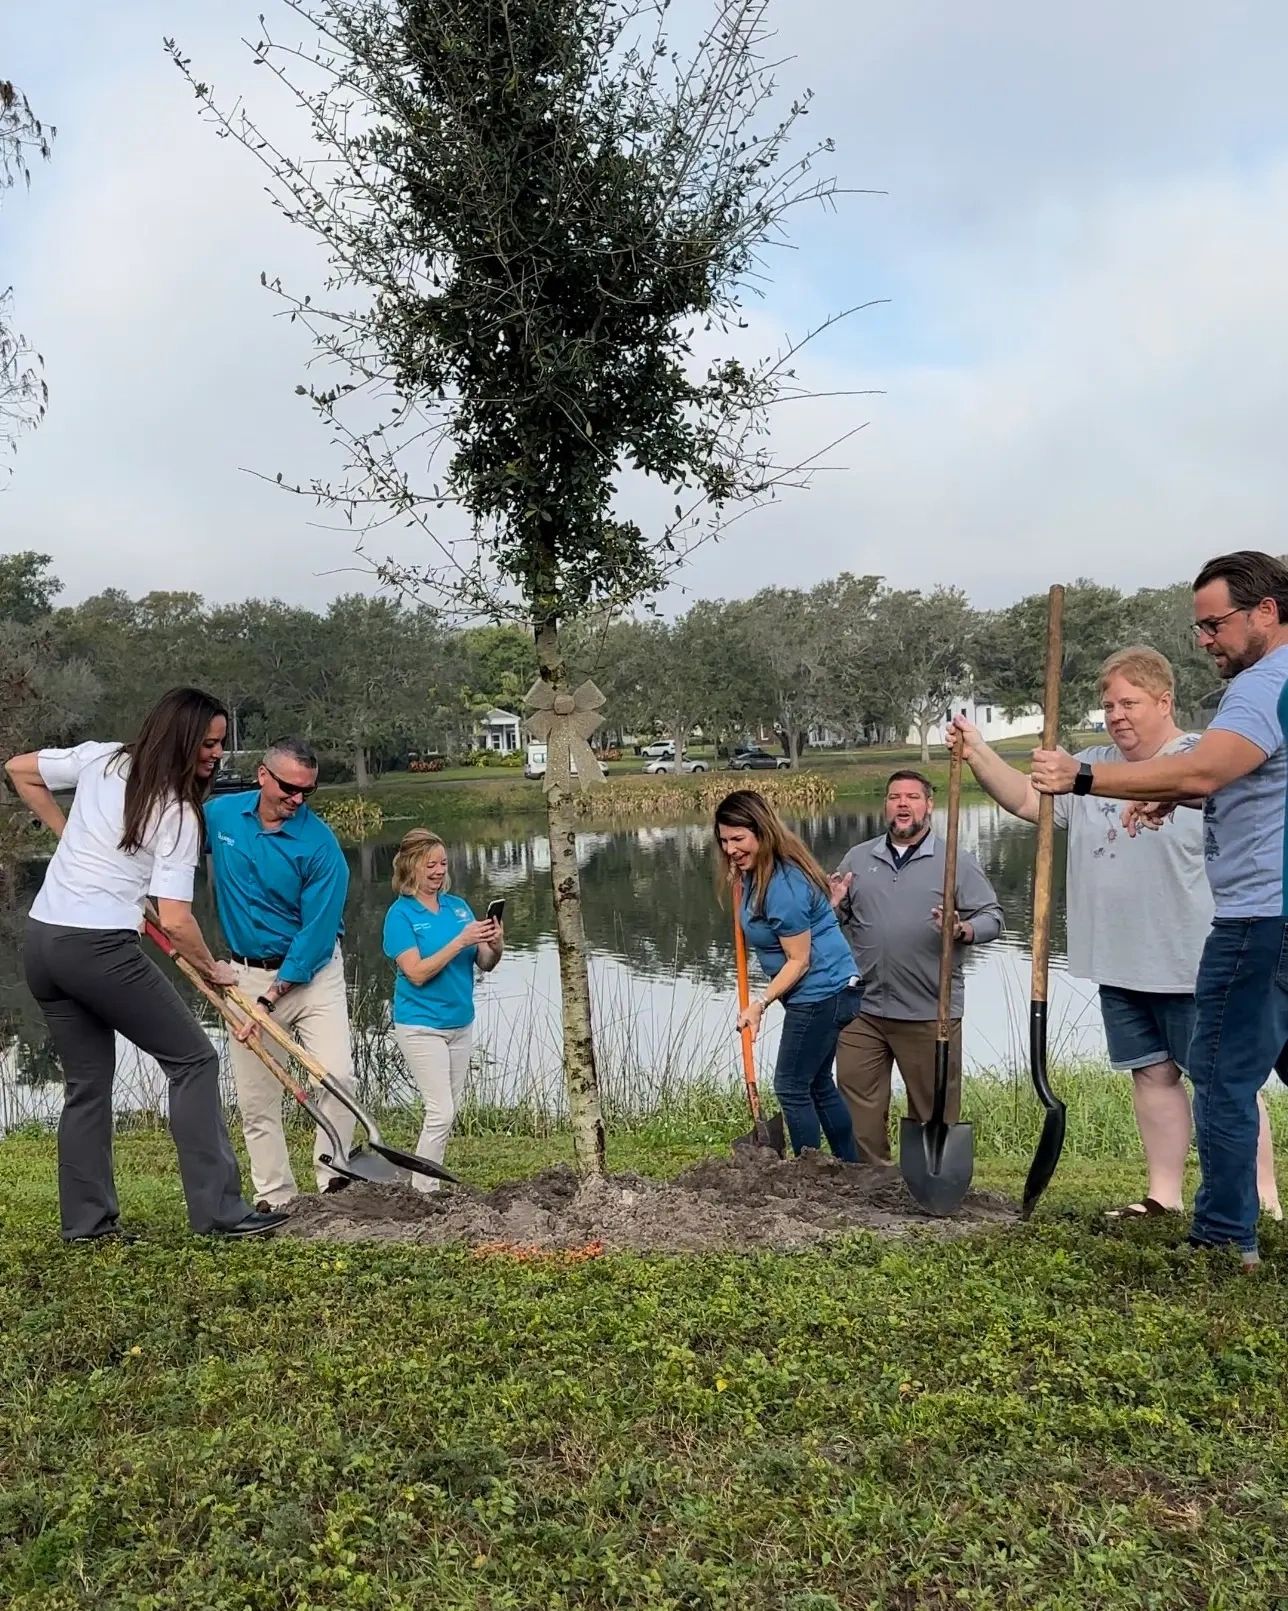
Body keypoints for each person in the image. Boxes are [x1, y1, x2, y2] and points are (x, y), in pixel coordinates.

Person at [953, 646, 1282, 1221]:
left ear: (1164, 700)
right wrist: (978, 752)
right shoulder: (1091, 763)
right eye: (1108, 705)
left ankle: (1259, 1197)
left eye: (1129, 702)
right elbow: (1032, 801)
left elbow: (1214, 794)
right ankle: (1164, 1194)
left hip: (1193, 956)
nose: (1117, 715)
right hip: (1118, 956)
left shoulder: (1196, 759)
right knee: (1152, 1073)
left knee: (1224, 1082)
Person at [1031, 552, 1288, 1265]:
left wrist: (1083, 775)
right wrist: (1171, 793)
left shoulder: (1263, 684)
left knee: (1220, 1074)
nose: (1205, 639)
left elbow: (1210, 765)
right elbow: (1243, 778)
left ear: (1265, 611)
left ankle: (1224, 1236)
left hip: (1258, 914)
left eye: (1215, 624)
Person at [4, 688, 284, 1242]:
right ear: (180, 738)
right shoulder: (178, 810)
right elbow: (178, 921)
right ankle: (220, 1212)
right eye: (208, 743)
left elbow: (18, 769)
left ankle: (87, 1225)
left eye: (221, 744)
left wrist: (71, 839)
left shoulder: (104, 758)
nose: (216, 755)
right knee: (194, 1061)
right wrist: (214, 970)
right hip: (98, 948)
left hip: (43, 941)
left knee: (86, 1083)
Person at [205, 737, 355, 1212]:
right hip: (242, 975)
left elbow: (315, 935)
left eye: (307, 791)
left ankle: (334, 1184)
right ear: (263, 776)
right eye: (290, 788)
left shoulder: (321, 846)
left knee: (337, 1077)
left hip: (313, 975)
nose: (298, 799)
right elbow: (168, 847)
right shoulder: (221, 816)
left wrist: (269, 1001)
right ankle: (275, 1196)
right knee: (256, 1098)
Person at [828, 770, 1004, 1163]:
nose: (902, 804)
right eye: (894, 797)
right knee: (857, 1100)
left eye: (912, 797)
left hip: (929, 1010)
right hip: (863, 1008)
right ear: (886, 805)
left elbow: (993, 918)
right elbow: (838, 922)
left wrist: (960, 929)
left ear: (929, 806)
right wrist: (834, 905)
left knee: (933, 1109)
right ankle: (870, 1180)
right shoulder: (859, 857)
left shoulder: (955, 860)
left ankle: (926, 1181)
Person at [714, 789, 862, 1161]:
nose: (730, 849)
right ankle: (848, 1166)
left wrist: (759, 1004)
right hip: (834, 987)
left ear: (761, 832)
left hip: (821, 992)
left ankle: (808, 1172)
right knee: (817, 1084)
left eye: (738, 839)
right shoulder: (757, 872)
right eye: (724, 841)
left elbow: (800, 960)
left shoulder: (781, 884)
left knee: (792, 1086)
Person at [382, 829, 503, 1189]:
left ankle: (425, 1183)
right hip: (420, 1025)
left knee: (447, 1112)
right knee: (441, 1111)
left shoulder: (458, 907)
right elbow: (416, 973)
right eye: (429, 864)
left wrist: (494, 944)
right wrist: (460, 940)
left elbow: (485, 963)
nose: (438, 871)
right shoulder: (400, 915)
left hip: (460, 1024)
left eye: (443, 863)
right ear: (410, 868)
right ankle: (424, 1189)